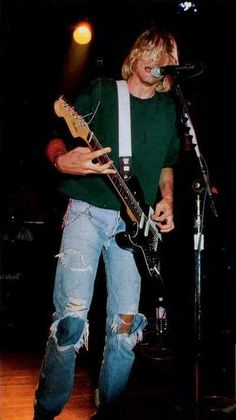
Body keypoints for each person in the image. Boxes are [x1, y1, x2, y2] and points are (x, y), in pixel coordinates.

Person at [33, 27, 180, 420]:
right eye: (152, 50)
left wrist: (167, 198)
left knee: (125, 331)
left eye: (167, 56)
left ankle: (109, 409)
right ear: (135, 55)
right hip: (87, 211)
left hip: (136, 225)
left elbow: (167, 163)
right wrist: (63, 160)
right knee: (69, 323)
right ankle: (46, 410)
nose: (158, 60)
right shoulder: (101, 91)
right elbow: (54, 133)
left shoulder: (169, 109)